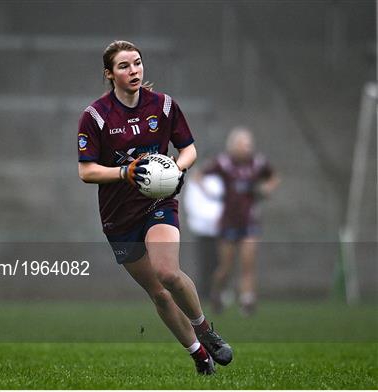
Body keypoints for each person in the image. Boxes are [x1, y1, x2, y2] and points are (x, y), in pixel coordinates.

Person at [77, 40, 232, 375]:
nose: (133, 70)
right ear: (109, 74)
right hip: (118, 219)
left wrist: (177, 169)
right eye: (123, 66)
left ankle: (205, 330)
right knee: (159, 294)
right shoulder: (95, 117)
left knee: (167, 272)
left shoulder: (163, 106)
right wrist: (124, 172)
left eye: (137, 63)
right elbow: (86, 171)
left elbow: (189, 149)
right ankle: (200, 357)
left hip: (158, 203)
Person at [202, 127, 280, 316]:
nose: (246, 148)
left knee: (248, 263)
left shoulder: (258, 163)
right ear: (232, 146)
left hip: (249, 221)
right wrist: (209, 193)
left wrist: (267, 189)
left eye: (248, 144)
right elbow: (200, 176)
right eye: (242, 144)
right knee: (226, 267)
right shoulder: (223, 163)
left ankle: (247, 300)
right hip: (228, 222)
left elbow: (274, 177)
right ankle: (217, 293)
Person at [183, 173, 224, 299]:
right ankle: (204, 292)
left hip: (219, 229)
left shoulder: (219, 179)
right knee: (204, 262)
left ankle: (218, 291)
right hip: (202, 230)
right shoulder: (194, 182)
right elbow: (192, 204)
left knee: (219, 262)